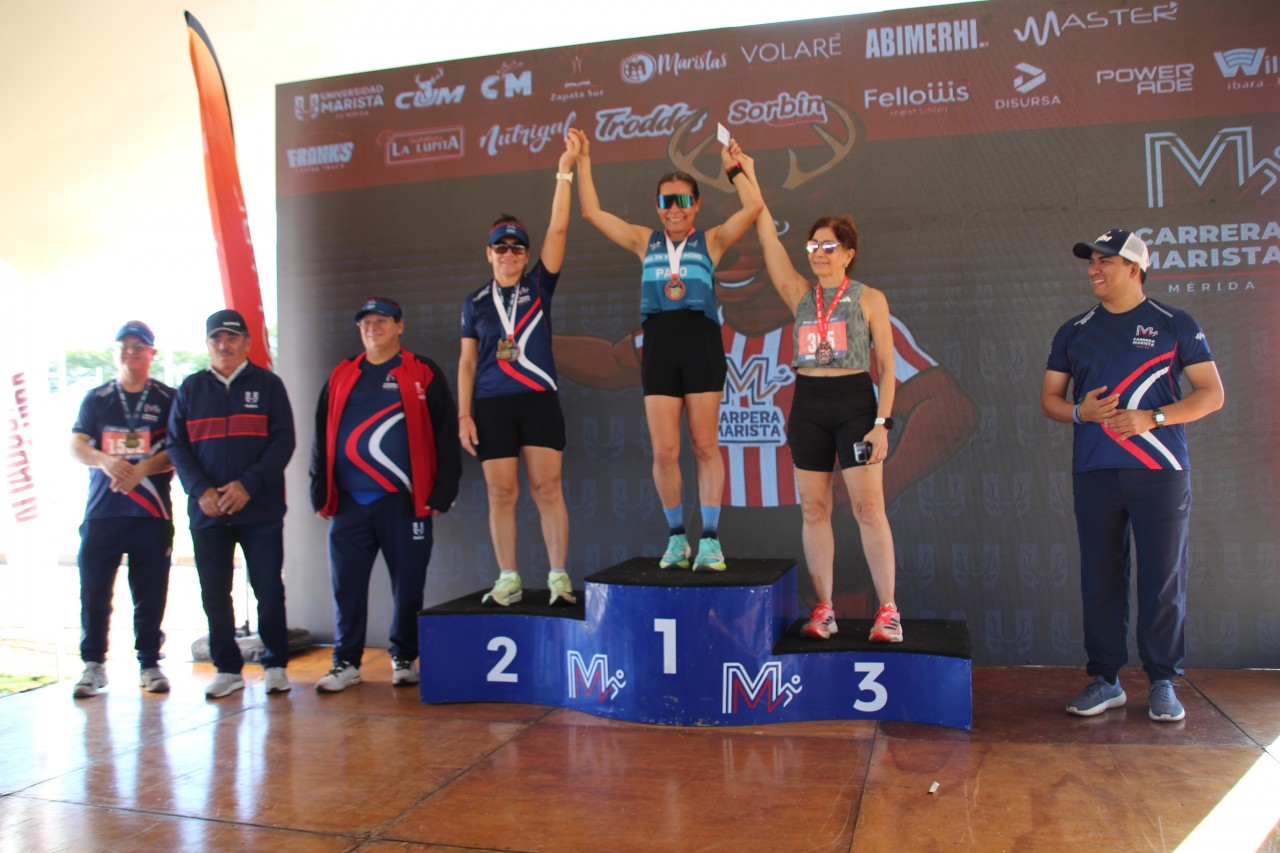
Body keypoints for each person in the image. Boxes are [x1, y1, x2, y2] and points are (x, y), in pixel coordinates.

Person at [1041, 229, 1224, 722]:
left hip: (1160, 471)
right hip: (1095, 471)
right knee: (1100, 578)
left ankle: (1163, 681)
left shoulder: (1174, 323)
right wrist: (1079, 412)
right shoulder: (1074, 330)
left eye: (1105, 261)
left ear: (1135, 268)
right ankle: (1105, 680)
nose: (1094, 270)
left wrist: (1153, 418)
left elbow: (1211, 394)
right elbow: (1050, 400)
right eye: (1091, 262)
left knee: (1162, 578)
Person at [577, 131, 762, 571]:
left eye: (682, 201)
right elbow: (591, 212)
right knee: (664, 451)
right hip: (659, 345)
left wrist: (736, 169)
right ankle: (677, 537)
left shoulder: (712, 241)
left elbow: (754, 207)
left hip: (700, 344)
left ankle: (710, 540)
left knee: (704, 445)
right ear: (657, 206)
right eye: (666, 201)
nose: (674, 209)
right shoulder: (644, 241)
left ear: (696, 204)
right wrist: (582, 160)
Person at [739, 155, 901, 643]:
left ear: (849, 253)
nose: (819, 253)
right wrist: (744, 174)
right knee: (813, 509)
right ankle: (824, 610)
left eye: (829, 246)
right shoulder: (798, 294)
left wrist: (882, 424)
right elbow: (766, 232)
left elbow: (887, 369)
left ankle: (888, 611)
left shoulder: (870, 298)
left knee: (868, 508)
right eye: (813, 245)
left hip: (855, 404)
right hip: (808, 405)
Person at [311, 296, 462, 692]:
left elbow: (446, 432)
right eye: (366, 322)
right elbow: (321, 434)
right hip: (350, 502)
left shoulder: (422, 370)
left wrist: (444, 491)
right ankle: (345, 662)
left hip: (404, 502)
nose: (372, 328)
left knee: (409, 585)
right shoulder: (342, 373)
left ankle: (404, 658)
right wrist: (319, 491)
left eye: (382, 321)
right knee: (346, 586)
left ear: (400, 326)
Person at [459, 130, 583, 607]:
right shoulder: (474, 302)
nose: (508, 254)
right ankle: (508, 577)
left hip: (538, 399)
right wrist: (464, 415)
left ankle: (558, 577)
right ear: (488, 253)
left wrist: (564, 173)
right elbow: (467, 361)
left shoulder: (539, 286)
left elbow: (559, 230)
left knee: (546, 487)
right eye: (500, 247)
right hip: (491, 404)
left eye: (516, 248)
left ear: (527, 255)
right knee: (500, 493)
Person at [168, 309, 296, 699]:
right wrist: (201, 491)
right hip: (208, 512)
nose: (224, 345)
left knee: (268, 590)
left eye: (232, 338)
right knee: (214, 593)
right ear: (208, 345)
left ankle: (275, 665)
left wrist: (247, 486)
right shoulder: (191, 388)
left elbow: (283, 442)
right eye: (216, 339)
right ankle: (227, 669)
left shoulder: (269, 385)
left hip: (260, 511)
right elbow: (176, 445)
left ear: (247, 343)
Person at [69, 321, 176, 698]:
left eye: (139, 346)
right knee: (94, 591)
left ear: (152, 354)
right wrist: (105, 460)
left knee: (151, 593)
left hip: (151, 513)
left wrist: (142, 469)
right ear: (115, 353)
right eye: (124, 346)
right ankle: (93, 665)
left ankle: (149, 663)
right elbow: (76, 445)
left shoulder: (168, 398)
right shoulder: (97, 398)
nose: (131, 352)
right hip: (103, 513)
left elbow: (180, 448)